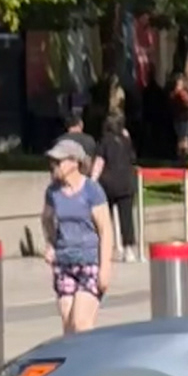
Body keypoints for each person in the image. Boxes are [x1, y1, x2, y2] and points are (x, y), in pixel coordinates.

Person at [42, 138, 114, 332]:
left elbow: (106, 229)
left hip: (89, 262)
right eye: (52, 162)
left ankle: (92, 362)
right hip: (64, 263)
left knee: (81, 323)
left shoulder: (92, 191)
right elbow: (47, 218)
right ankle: (76, 362)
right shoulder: (53, 192)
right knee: (68, 326)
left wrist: (105, 267)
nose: (54, 166)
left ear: (74, 163)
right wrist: (50, 243)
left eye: (58, 161)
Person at [97, 96, 139, 264]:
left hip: (107, 183)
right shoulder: (126, 141)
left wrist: (92, 180)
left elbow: (99, 162)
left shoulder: (104, 141)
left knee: (106, 218)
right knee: (126, 217)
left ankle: (110, 247)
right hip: (126, 182)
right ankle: (128, 249)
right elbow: (133, 158)